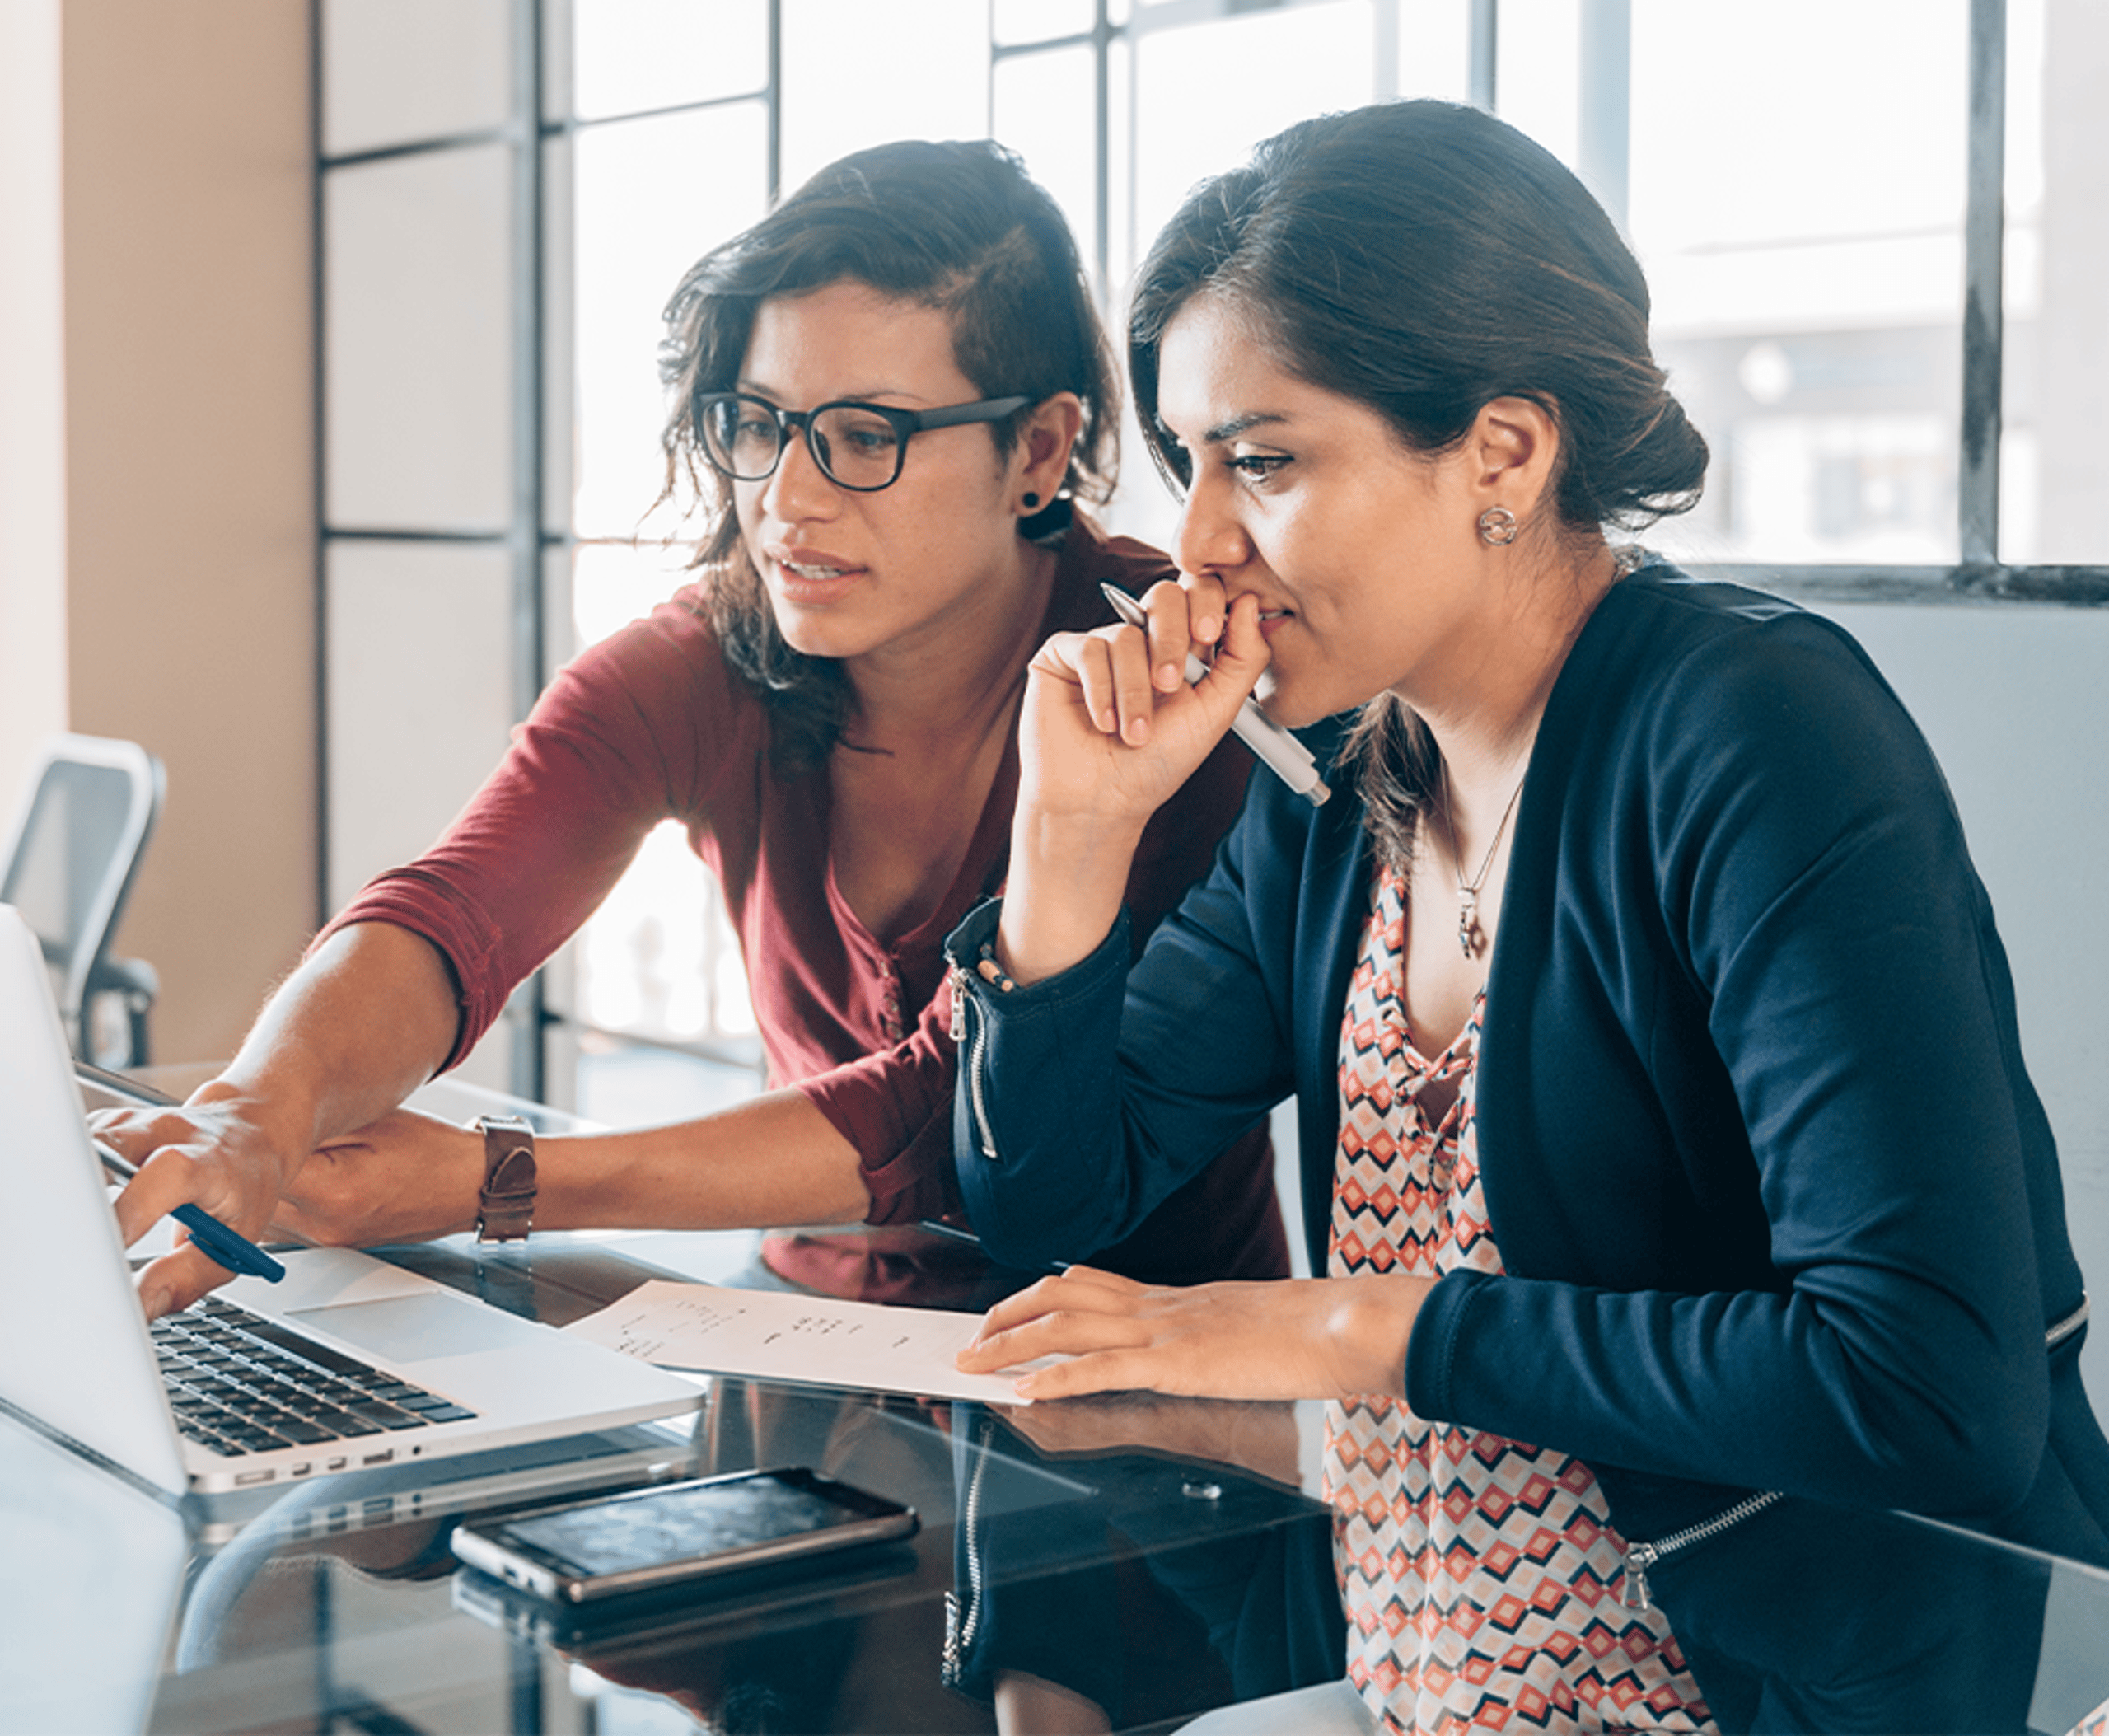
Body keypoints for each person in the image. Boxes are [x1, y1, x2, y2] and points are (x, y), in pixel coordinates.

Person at [946, 101, 2109, 1734]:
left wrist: (1354, 1327)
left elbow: (1920, 1387)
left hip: (1747, 1702)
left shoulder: (1748, 732)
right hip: (1418, 1689)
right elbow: (1049, 1198)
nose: (1195, 546)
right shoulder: (1350, 777)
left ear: (1501, 451)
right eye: (1188, 466)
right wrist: (1068, 837)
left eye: (1264, 463)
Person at [98, 138, 1284, 1324]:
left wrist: (495, 1178)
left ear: (1037, 450)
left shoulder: (1171, 686)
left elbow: (940, 1115)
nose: (786, 498)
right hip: (799, 1328)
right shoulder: (714, 653)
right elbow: (456, 907)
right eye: (760, 424)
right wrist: (257, 1111)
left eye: (866, 437)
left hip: (1138, 1391)